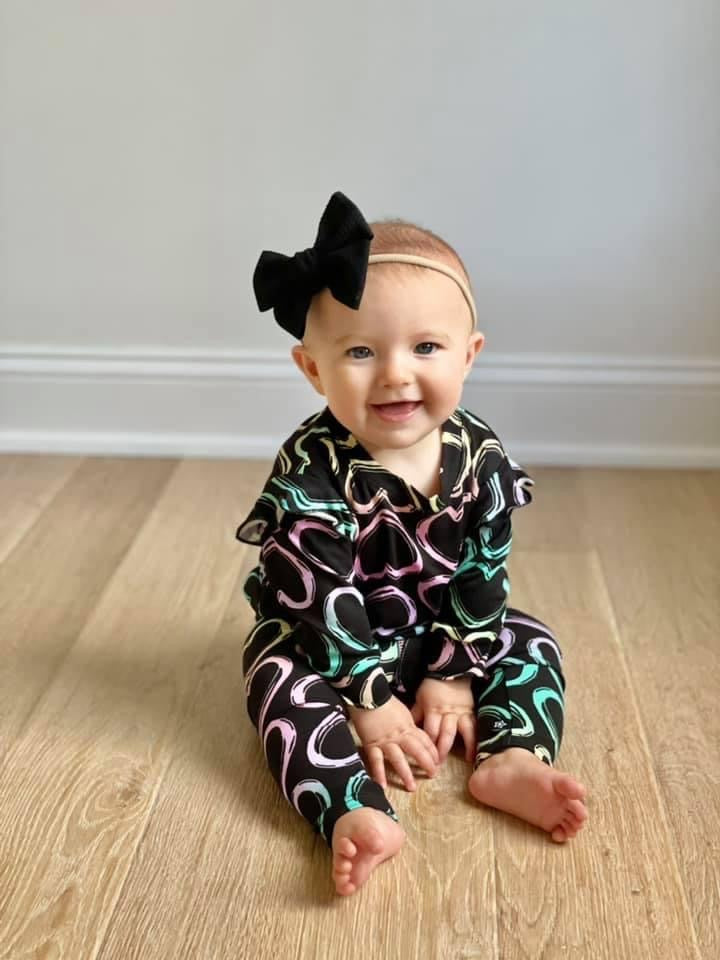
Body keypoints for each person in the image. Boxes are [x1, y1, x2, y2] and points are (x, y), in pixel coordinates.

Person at [236, 191, 588, 897]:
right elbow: (320, 598)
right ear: (312, 369)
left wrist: (455, 670)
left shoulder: (479, 454)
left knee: (531, 639)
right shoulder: (311, 471)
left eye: (425, 347)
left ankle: (511, 757)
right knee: (274, 681)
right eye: (361, 351)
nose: (396, 373)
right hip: (327, 644)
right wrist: (365, 697)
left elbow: (483, 572)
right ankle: (349, 808)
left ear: (468, 354)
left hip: (437, 633)